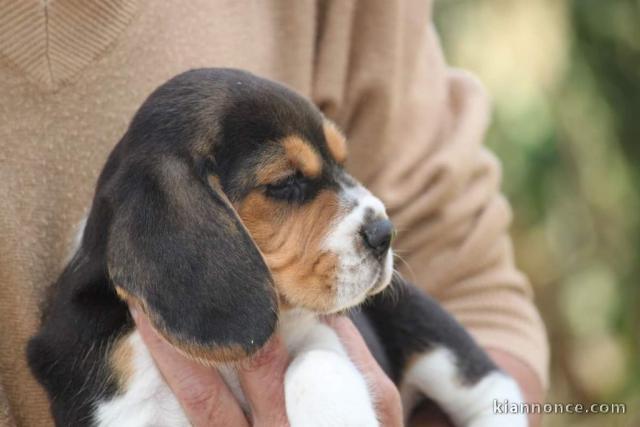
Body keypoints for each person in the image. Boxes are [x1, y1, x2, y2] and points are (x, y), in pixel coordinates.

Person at [0, 1, 548, 426]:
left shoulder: (293, 310)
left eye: (338, 168)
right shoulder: (114, 318)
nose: (372, 218)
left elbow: (472, 277)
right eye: (287, 185)